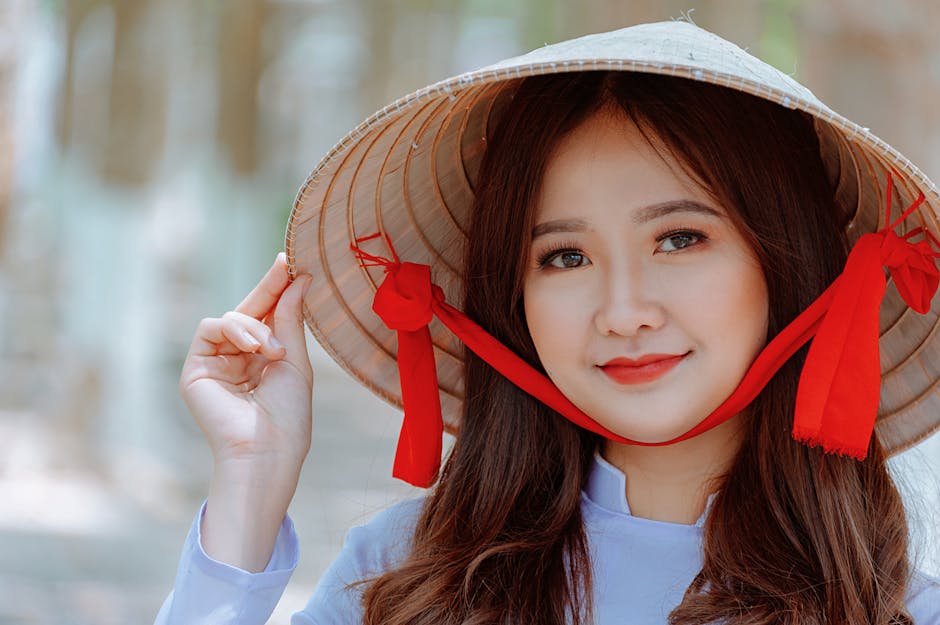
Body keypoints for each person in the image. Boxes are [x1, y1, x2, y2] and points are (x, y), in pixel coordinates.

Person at [154, 20, 940, 625]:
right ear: (512, 298)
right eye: (565, 256)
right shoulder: (407, 578)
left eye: (679, 238)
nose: (624, 311)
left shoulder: (896, 605)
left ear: (790, 267)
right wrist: (250, 491)